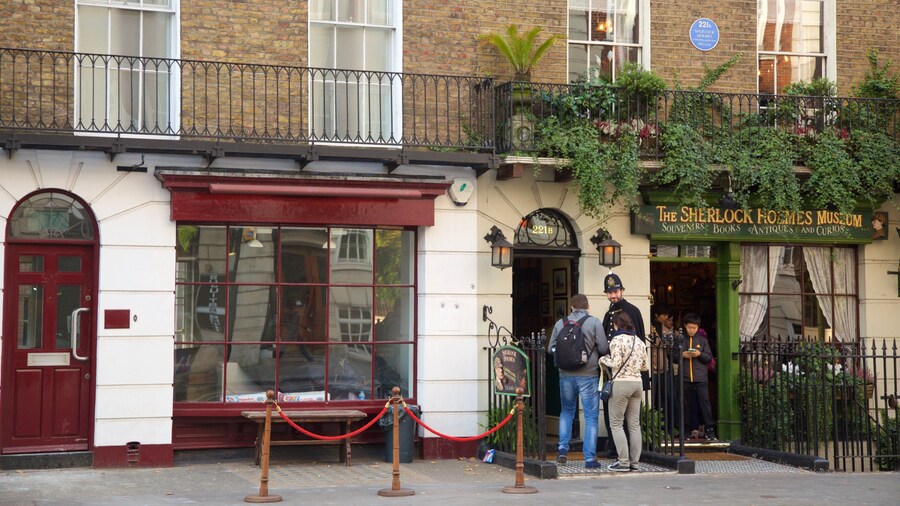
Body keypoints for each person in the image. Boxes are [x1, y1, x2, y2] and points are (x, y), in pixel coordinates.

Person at [548, 293, 608, 468]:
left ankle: (562, 450)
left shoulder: (560, 323)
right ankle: (589, 459)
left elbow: (551, 349)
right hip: (588, 375)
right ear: (587, 307)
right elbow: (603, 348)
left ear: (571, 307)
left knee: (566, 411)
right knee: (590, 416)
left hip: (565, 375)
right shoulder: (594, 322)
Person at [601, 273, 646, 458]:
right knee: (616, 416)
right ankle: (620, 451)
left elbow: (640, 343)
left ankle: (624, 456)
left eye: (616, 291)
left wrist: (603, 360)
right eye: (609, 292)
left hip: (622, 374)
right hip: (614, 375)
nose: (613, 295)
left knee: (623, 420)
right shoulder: (608, 314)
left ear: (622, 291)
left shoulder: (632, 311)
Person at [599, 312, 649, 472]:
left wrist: (603, 359)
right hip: (637, 384)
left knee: (616, 423)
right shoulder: (639, 341)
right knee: (634, 425)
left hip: (621, 383)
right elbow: (645, 366)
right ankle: (635, 462)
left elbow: (615, 363)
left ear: (616, 325)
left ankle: (623, 462)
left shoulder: (617, 340)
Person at [678, 312, 716, 440]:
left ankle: (710, 430)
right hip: (685, 377)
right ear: (685, 325)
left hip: (701, 377)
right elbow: (672, 356)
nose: (692, 330)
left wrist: (699, 354)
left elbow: (709, 357)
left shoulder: (702, 340)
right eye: (689, 327)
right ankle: (686, 430)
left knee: (705, 404)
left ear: (698, 327)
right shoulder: (680, 339)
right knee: (686, 405)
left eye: (694, 328)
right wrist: (682, 355)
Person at [650, 304, 680, 435]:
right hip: (653, 370)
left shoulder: (665, 329)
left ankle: (667, 427)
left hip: (665, 369)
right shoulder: (651, 328)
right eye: (664, 315)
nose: (666, 317)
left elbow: (670, 346)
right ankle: (655, 428)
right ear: (656, 315)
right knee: (653, 400)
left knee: (667, 398)